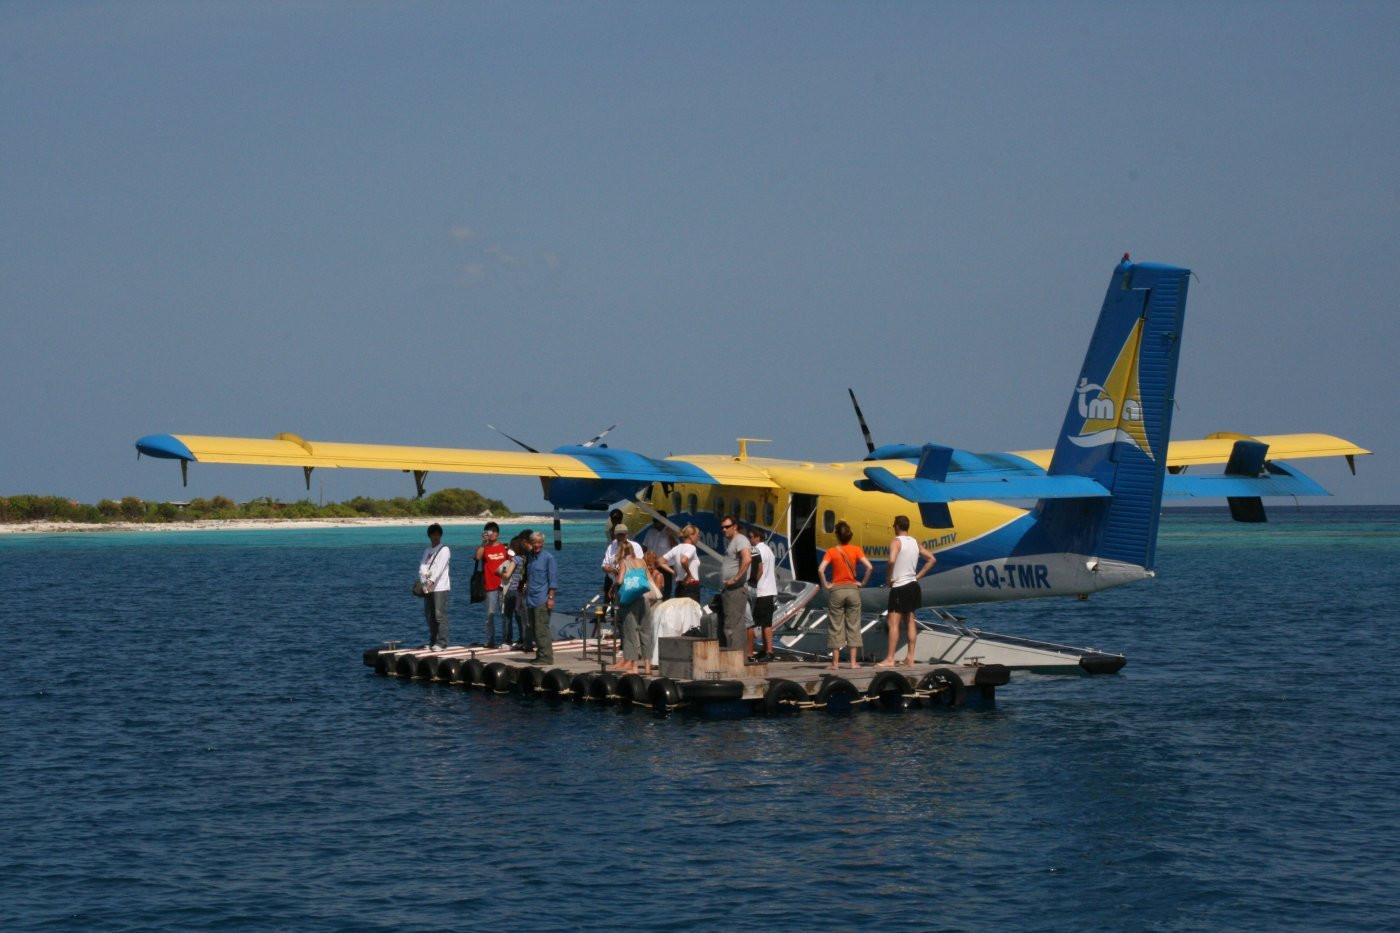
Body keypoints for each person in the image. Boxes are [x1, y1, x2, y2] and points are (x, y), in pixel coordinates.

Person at [878, 515, 936, 667]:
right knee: (910, 620)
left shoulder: (896, 542)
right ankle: (910, 657)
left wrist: (888, 578)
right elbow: (932, 559)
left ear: (897, 526)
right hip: (913, 585)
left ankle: (890, 658)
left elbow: (891, 560)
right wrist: (918, 577)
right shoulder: (915, 542)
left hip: (900, 586)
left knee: (893, 622)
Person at [818, 520, 874, 669]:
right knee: (853, 625)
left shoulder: (831, 551)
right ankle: (853, 663)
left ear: (837, 536)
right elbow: (869, 567)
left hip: (837, 590)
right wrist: (862, 583)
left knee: (836, 625)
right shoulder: (856, 550)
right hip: (852, 589)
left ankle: (835, 663)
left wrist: (826, 585)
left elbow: (820, 570)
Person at [608, 536, 650, 674]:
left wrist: (613, 585)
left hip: (630, 600)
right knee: (645, 632)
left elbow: (620, 580)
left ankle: (635, 667)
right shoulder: (642, 561)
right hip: (644, 599)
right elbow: (647, 579)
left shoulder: (624, 562)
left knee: (630, 633)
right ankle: (648, 667)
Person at [474, 521, 512, 648]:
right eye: (489, 531)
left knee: (505, 614)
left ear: (498, 533)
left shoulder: (505, 547)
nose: (492, 534)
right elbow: (477, 557)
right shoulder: (484, 548)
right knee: (489, 615)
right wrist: (483, 543)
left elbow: (513, 562)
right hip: (490, 586)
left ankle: (506, 640)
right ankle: (489, 640)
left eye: (494, 531)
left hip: (504, 586)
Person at [523, 531, 557, 664]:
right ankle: (540, 654)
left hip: (542, 599)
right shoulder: (530, 557)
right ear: (531, 543)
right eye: (534, 542)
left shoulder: (549, 558)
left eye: (539, 542)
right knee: (534, 629)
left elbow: (553, 581)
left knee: (541, 629)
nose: (537, 545)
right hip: (530, 599)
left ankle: (546, 657)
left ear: (543, 543)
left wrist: (551, 598)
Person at [746, 525, 779, 661]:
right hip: (770, 590)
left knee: (755, 623)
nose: (749, 539)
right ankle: (767, 650)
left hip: (760, 591)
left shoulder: (756, 550)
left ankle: (760, 651)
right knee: (766, 623)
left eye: (751, 537)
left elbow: (757, 570)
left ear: (757, 537)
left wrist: (751, 582)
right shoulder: (769, 550)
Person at [718, 515, 751, 650]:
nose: (724, 530)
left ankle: (736, 660)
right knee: (731, 625)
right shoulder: (733, 542)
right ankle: (736, 658)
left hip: (735, 589)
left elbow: (747, 559)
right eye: (722, 527)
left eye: (727, 527)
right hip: (729, 590)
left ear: (735, 527)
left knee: (733, 626)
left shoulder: (740, 540)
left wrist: (736, 578)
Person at [417, 523, 451, 650]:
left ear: (440, 535)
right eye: (433, 534)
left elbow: (440, 567)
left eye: (437, 534)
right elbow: (422, 566)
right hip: (428, 587)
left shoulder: (444, 549)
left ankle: (442, 642)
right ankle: (433, 640)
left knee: (439, 614)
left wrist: (431, 580)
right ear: (429, 536)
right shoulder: (427, 550)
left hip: (440, 587)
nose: (435, 537)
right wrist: (424, 580)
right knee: (429, 615)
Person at [638, 512, 679, 598]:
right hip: (651, 564)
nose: (655, 522)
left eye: (657, 520)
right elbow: (644, 547)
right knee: (650, 584)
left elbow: (676, 548)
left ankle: (664, 605)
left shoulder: (671, 532)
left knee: (666, 588)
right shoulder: (650, 532)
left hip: (666, 565)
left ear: (663, 521)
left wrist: (670, 536)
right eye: (654, 520)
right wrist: (641, 562)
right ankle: (650, 601)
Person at [503, 531, 532, 649]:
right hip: (523, 590)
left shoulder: (515, 559)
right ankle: (523, 639)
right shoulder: (526, 559)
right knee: (522, 617)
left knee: (508, 617)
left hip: (513, 589)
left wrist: (500, 571)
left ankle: (507, 640)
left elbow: (507, 575)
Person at [664, 524, 702, 604]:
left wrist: (674, 572)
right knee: (693, 614)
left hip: (680, 586)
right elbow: (684, 560)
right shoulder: (692, 547)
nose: (698, 538)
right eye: (697, 535)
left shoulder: (676, 548)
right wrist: (688, 574)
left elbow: (660, 561)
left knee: (681, 614)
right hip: (691, 586)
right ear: (691, 535)